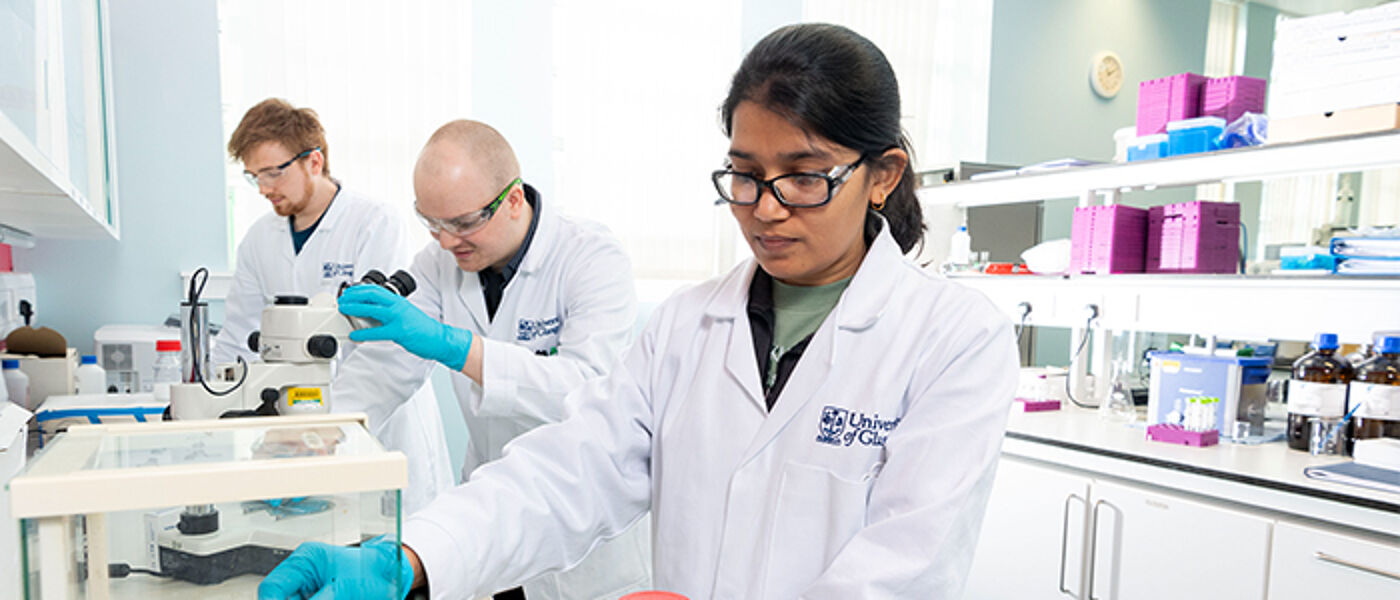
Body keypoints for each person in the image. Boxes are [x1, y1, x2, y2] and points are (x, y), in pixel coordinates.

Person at [260, 23, 1016, 600]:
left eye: (805, 177)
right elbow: (569, 469)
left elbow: (902, 568)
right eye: (746, 177)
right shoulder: (690, 326)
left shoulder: (953, 339)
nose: (766, 210)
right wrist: (414, 555)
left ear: (882, 176)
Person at [326, 120, 652, 599]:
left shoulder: (591, 258)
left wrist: (459, 348)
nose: (445, 241)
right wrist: (317, 441)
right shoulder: (438, 263)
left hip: (581, 533)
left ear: (513, 199)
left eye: (462, 223)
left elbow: (585, 389)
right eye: (431, 223)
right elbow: (384, 371)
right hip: (491, 522)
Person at [214, 100, 453, 515]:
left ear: (314, 161)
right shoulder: (258, 240)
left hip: (381, 429)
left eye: (273, 172)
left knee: (397, 555)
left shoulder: (373, 222)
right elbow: (238, 338)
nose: (265, 188)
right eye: (255, 177)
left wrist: (327, 424)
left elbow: (389, 346)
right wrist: (209, 416)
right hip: (297, 436)